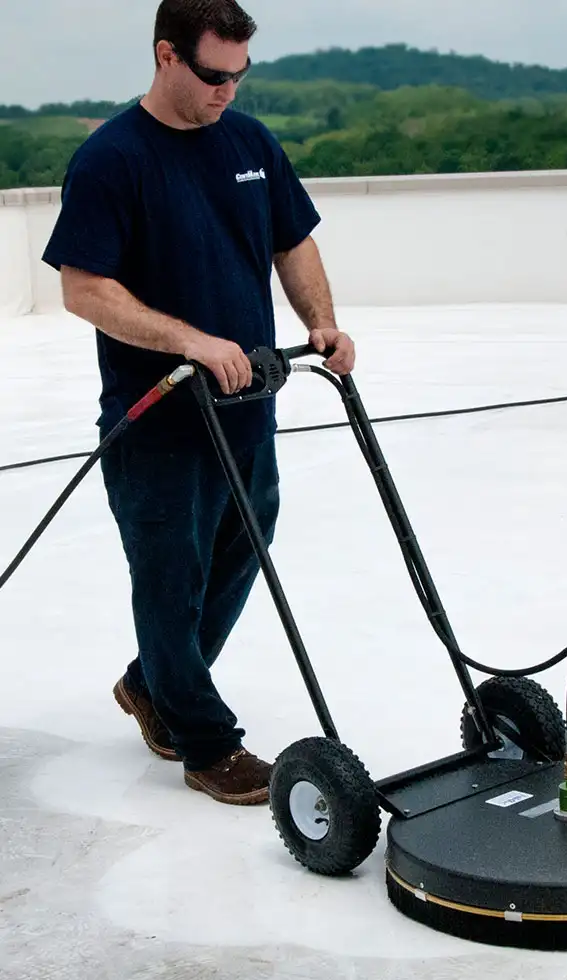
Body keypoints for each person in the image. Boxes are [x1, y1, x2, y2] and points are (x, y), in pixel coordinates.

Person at [41, 0, 354, 806]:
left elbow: (294, 239)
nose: (228, 93)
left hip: (247, 406)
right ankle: (205, 742)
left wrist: (321, 323)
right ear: (167, 56)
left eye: (241, 76)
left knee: (243, 551)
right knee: (169, 577)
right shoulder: (113, 158)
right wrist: (190, 342)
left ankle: (153, 684)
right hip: (159, 419)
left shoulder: (249, 143)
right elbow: (84, 289)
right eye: (214, 76)